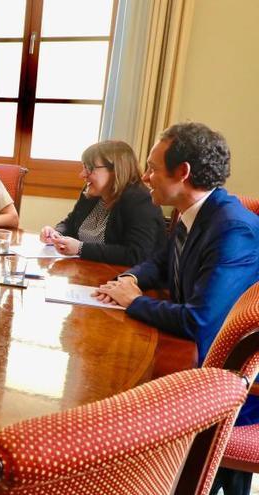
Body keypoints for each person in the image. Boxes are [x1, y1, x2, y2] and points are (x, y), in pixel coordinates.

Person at [92, 123, 259, 495]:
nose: (145, 176)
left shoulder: (233, 229)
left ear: (182, 173)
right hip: (199, 358)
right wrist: (132, 280)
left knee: (116, 409)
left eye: (152, 167)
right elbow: (160, 262)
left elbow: (198, 320)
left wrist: (134, 302)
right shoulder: (192, 211)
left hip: (230, 386)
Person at [39, 140, 165, 266]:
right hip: (85, 270)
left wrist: (81, 248)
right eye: (84, 167)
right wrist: (56, 233)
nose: (82, 174)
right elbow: (70, 223)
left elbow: (136, 254)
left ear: (116, 170)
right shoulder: (92, 192)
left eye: (90, 168)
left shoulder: (141, 200)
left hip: (123, 278)